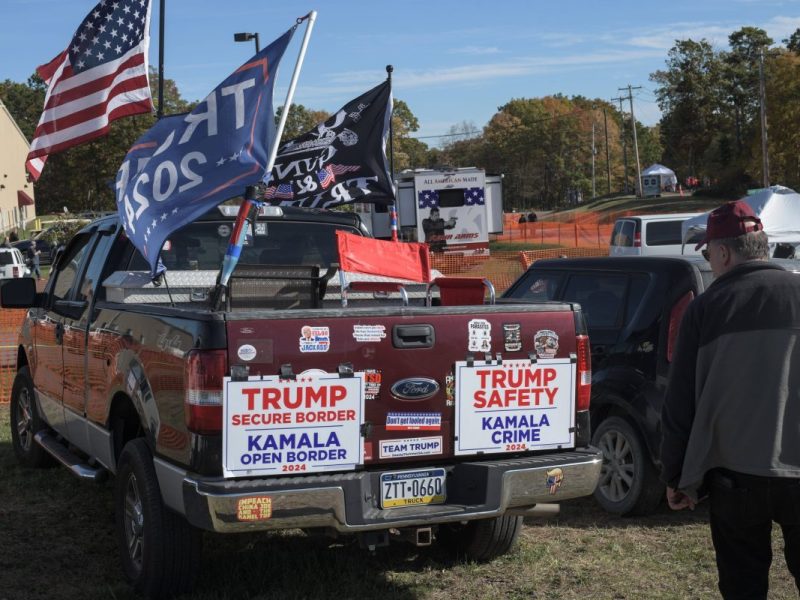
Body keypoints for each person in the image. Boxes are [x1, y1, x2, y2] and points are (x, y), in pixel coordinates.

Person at [660, 200, 800, 599]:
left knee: (743, 587)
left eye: (708, 252)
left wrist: (676, 476)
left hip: (734, 475)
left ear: (722, 252)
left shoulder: (706, 308)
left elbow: (680, 399)